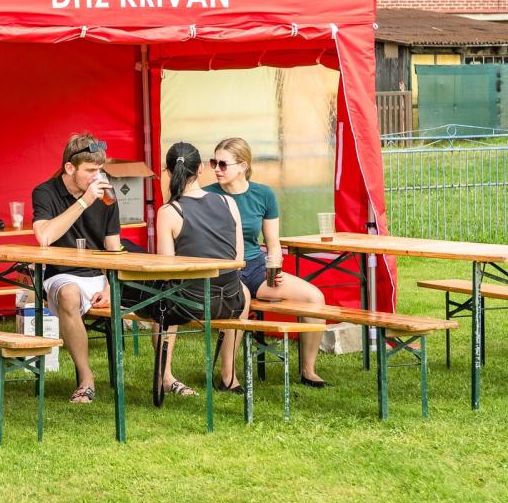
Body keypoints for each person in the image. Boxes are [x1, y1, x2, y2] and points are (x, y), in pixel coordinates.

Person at [205, 137, 328, 389]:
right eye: (213, 163)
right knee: (239, 301)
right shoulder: (207, 196)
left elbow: (272, 243)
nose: (216, 168)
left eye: (222, 164)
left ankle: (308, 371)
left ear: (243, 166)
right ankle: (228, 377)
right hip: (223, 270)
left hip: (255, 267)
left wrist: (275, 267)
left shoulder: (263, 194)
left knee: (314, 297)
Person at [145, 141, 247, 401]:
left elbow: (167, 270)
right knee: (239, 289)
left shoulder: (169, 211)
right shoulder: (228, 202)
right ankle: (228, 375)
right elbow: (238, 259)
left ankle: (164, 376)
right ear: (200, 168)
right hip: (231, 301)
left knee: (160, 296)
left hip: (191, 304)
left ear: (168, 172)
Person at [30, 133, 120, 404]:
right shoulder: (45, 192)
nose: (97, 177)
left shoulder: (107, 195)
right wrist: (83, 202)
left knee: (159, 293)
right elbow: (44, 236)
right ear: (70, 168)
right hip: (61, 274)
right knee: (69, 293)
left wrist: (110, 287)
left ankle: (165, 378)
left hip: (97, 275)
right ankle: (86, 379)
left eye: (100, 170)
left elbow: (113, 249)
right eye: (90, 170)